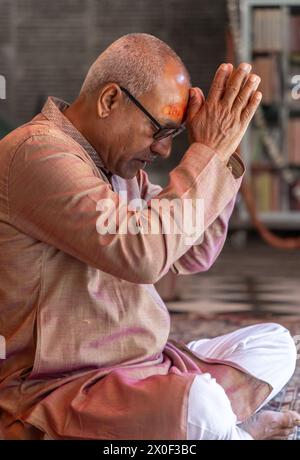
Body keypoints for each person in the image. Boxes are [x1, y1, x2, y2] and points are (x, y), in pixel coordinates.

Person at [0, 33, 298, 440]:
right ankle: (229, 428)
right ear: (110, 101)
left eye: (173, 137)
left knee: (275, 346)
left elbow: (194, 252)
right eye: (159, 130)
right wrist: (205, 156)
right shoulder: (38, 153)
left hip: (145, 368)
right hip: (64, 389)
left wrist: (219, 152)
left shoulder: (121, 170)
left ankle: (216, 427)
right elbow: (142, 253)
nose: (162, 151)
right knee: (203, 407)